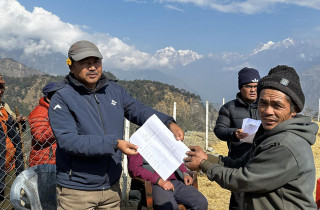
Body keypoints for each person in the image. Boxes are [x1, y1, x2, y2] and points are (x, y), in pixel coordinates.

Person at [48, 40, 184, 210]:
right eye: (85, 63)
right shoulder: (62, 98)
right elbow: (69, 141)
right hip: (77, 191)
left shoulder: (113, 90)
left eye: (96, 62)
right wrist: (114, 144)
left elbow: (137, 109)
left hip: (111, 189)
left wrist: (168, 122)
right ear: (71, 66)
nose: (92, 67)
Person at [184, 65, 318, 209]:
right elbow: (241, 163)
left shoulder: (285, 144)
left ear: (294, 110)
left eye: (277, 106)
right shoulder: (269, 134)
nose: (267, 111)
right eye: (263, 103)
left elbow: (245, 180)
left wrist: (204, 164)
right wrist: (207, 157)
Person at [213, 67, 260, 210]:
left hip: (261, 161)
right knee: (239, 203)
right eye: (249, 86)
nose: (253, 90)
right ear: (241, 87)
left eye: (256, 86)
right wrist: (234, 133)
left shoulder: (265, 106)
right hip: (238, 163)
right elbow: (219, 129)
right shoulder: (229, 108)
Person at [128, 153, 208, 210]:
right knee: (169, 207)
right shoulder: (136, 141)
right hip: (155, 184)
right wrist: (159, 181)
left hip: (175, 181)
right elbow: (134, 169)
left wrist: (185, 172)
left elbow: (176, 159)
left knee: (201, 202)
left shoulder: (163, 137)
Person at [0, 74, 24, 207]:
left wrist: (17, 119)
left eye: (2, 86)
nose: (0, 91)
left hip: (10, 164)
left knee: (11, 200)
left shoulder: (3, 107)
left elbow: (12, 118)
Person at [28, 82, 59, 167]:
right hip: (44, 162)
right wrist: (59, 126)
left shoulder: (55, 110)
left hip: (54, 159)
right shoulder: (40, 112)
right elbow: (40, 137)